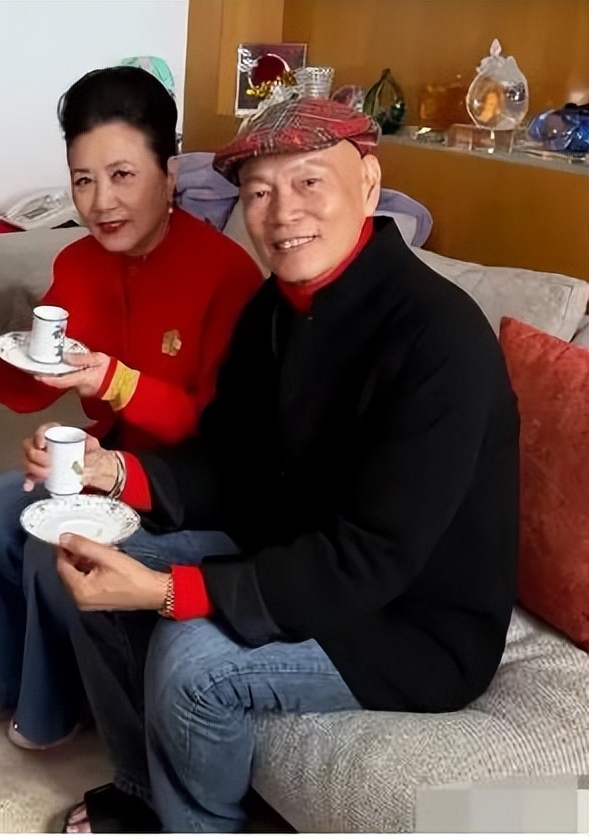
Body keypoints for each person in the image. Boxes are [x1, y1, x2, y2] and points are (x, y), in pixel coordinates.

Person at [51, 97, 520, 832]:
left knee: (191, 661)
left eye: (308, 182)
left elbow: (371, 557)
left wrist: (169, 592)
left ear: (369, 184)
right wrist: (116, 475)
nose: (281, 213)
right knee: (84, 541)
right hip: (288, 546)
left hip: (410, 622)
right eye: (259, 192)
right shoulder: (276, 307)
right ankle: (144, 795)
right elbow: (229, 458)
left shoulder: (439, 338)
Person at [0, 66, 262, 749]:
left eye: (122, 175)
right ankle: (0, 682)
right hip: (106, 464)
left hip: (189, 486)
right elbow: (31, 386)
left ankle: (53, 710)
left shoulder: (228, 274)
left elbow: (217, 434)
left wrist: (117, 384)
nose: (100, 202)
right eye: (83, 180)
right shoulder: (78, 263)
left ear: (170, 173)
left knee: (53, 545)